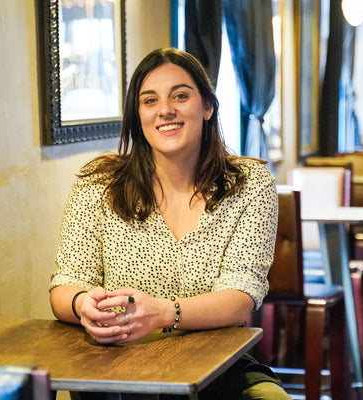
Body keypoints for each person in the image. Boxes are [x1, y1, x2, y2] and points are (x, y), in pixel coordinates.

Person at [49, 47, 291, 400]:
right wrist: (82, 304)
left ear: (207, 107)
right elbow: (64, 287)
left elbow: (241, 297)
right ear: (138, 114)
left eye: (180, 95)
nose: (165, 110)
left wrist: (165, 312)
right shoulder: (97, 185)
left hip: (218, 369)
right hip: (115, 371)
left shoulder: (250, 183)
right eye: (150, 100)